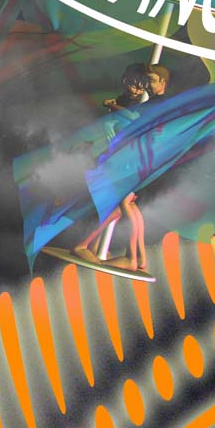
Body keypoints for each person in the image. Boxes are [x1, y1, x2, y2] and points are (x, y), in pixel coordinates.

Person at [73, 64, 171, 273]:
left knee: (122, 203)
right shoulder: (153, 102)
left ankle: (130, 257)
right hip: (137, 158)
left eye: (151, 81)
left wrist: (114, 107)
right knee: (126, 205)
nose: (147, 86)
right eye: (145, 82)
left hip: (137, 159)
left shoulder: (159, 103)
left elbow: (137, 121)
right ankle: (136, 256)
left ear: (163, 82)